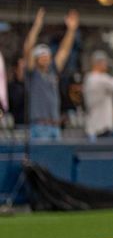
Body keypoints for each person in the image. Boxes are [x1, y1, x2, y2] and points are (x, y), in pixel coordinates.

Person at [23, 8, 79, 140]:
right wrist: (37, 25)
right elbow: (27, 48)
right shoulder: (32, 74)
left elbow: (64, 51)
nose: (45, 58)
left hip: (55, 126)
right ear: (36, 59)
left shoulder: (53, 70)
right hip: (39, 126)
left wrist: (71, 30)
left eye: (47, 55)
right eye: (41, 56)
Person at [82, 50, 113, 139]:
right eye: (104, 62)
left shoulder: (89, 78)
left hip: (93, 127)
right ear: (98, 63)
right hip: (100, 129)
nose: (106, 65)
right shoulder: (100, 79)